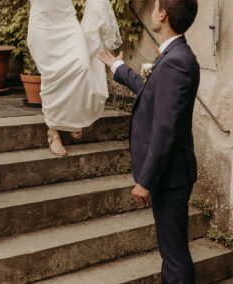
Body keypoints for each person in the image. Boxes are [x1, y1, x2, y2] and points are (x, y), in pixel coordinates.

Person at [98, 0, 199, 283]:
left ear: (163, 15)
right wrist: (119, 67)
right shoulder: (175, 55)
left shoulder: (177, 60)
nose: (153, 12)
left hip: (169, 176)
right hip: (169, 174)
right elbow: (153, 93)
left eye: (155, 7)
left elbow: (166, 128)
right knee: (171, 251)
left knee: (175, 256)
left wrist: (146, 180)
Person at [27, 0, 121, 156]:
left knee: (82, 66)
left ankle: (73, 118)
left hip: (67, 22)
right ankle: (53, 131)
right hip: (43, 25)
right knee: (53, 75)